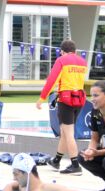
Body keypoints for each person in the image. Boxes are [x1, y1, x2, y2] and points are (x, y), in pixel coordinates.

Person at [36, 39, 87, 175]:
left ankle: (75, 165)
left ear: (62, 51)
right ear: (75, 51)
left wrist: (42, 98)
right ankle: (56, 161)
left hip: (66, 100)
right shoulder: (82, 62)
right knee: (64, 131)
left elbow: (52, 80)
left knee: (68, 133)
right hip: (79, 99)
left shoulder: (61, 60)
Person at [0, 153, 97, 191]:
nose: (14, 178)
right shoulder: (23, 186)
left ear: (28, 173)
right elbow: (16, 183)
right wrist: (9, 186)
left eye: (16, 174)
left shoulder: (47, 189)